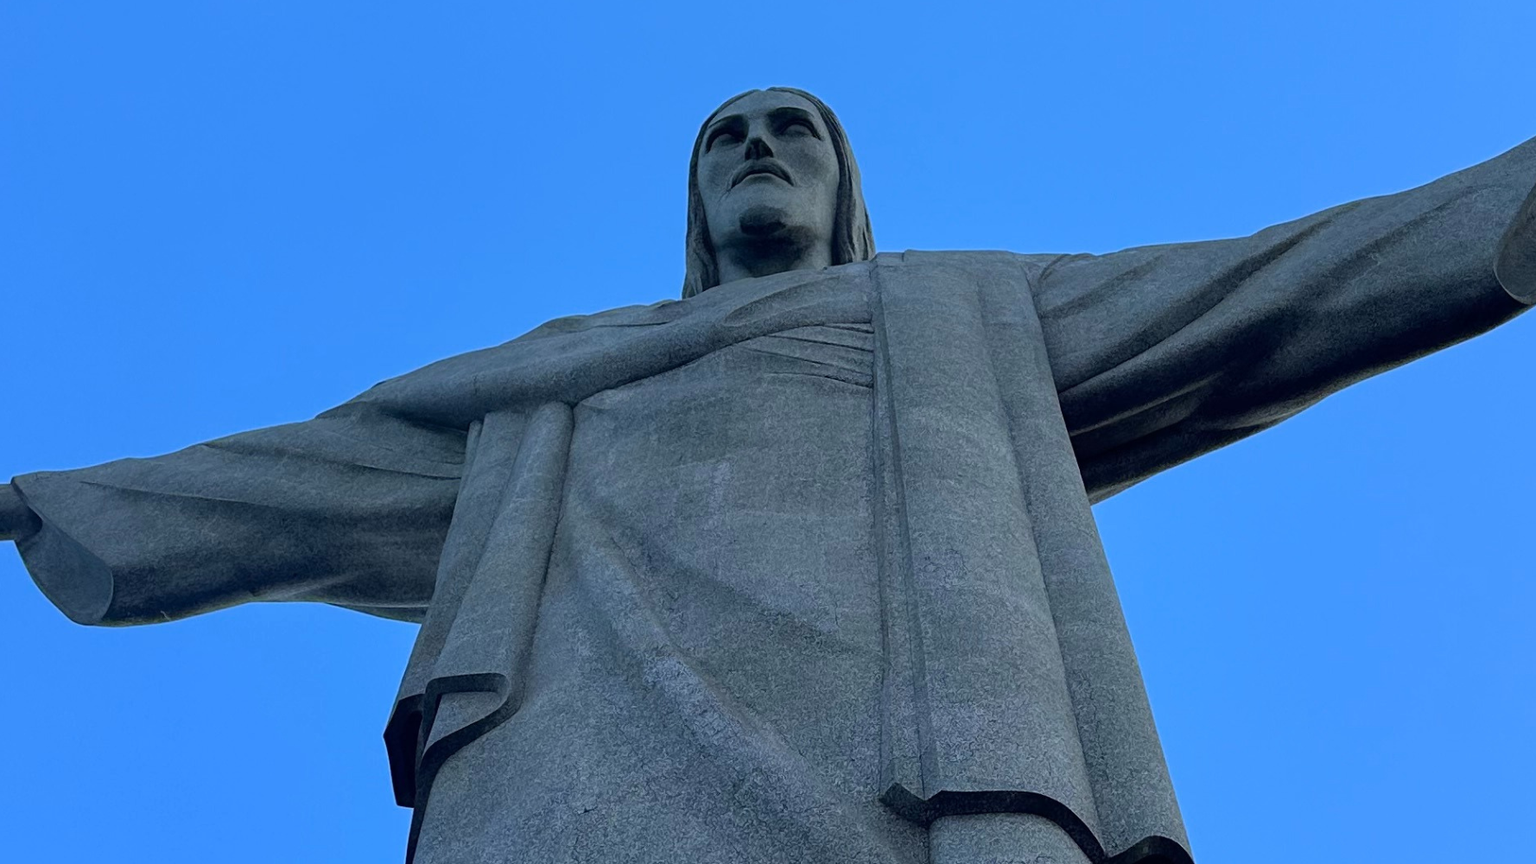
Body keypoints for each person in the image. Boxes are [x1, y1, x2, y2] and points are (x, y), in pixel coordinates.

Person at [4, 88, 1533, 864]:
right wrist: (49, 504)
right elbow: (302, 478)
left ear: (842, 182)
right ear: (696, 192)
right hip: (568, 748)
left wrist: (1503, 204)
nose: (760, 146)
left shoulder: (959, 320)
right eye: (728, 134)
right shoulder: (555, 380)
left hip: (911, 738)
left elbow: (1269, 291)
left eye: (793, 128)